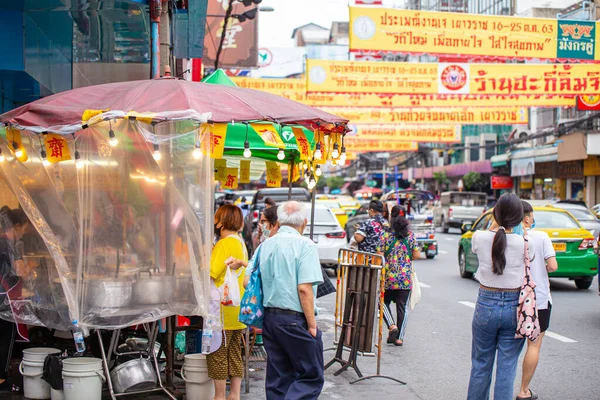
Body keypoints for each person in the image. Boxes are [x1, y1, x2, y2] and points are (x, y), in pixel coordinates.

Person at [251, 201, 324, 399]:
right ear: (304, 223)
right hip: (295, 319)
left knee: (278, 377)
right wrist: (312, 325)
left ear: (280, 221)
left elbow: (248, 279)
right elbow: (305, 289)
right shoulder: (305, 245)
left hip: (270, 318)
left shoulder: (265, 245)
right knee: (311, 375)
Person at [467, 193, 534, 400]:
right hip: (514, 308)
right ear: (519, 217)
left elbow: (489, 237)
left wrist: (497, 223)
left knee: (480, 364)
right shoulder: (525, 242)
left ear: (495, 214)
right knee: (507, 368)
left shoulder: (479, 237)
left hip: (486, 303)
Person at [516, 201, 557, 400]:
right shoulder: (541, 236)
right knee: (534, 345)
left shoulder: (510, 236)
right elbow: (553, 266)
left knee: (509, 347)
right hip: (538, 299)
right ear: (527, 218)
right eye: (532, 216)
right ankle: (523, 390)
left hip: (514, 299)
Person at [207, 205, 248, 400]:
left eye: (216, 219)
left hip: (221, 311)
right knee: (234, 353)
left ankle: (219, 397)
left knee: (217, 354)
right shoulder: (240, 242)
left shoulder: (223, 244)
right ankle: (235, 395)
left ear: (221, 221)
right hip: (238, 309)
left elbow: (211, 273)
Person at [377, 211, 420, 346]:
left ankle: (391, 325)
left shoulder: (385, 236)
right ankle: (400, 338)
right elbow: (417, 255)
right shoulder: (411, 237)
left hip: (389, 278)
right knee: (403, 307)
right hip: (405, 279)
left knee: (382, 302)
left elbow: (379, 256)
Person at [0, 208, 31, 393]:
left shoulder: (2, 241)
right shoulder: (9, 244)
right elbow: (20, 271)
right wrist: (32, 266)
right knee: (5, 338)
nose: (24, 232)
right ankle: (2, 380)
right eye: (24, 228)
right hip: (4, 299)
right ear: (17, 226)